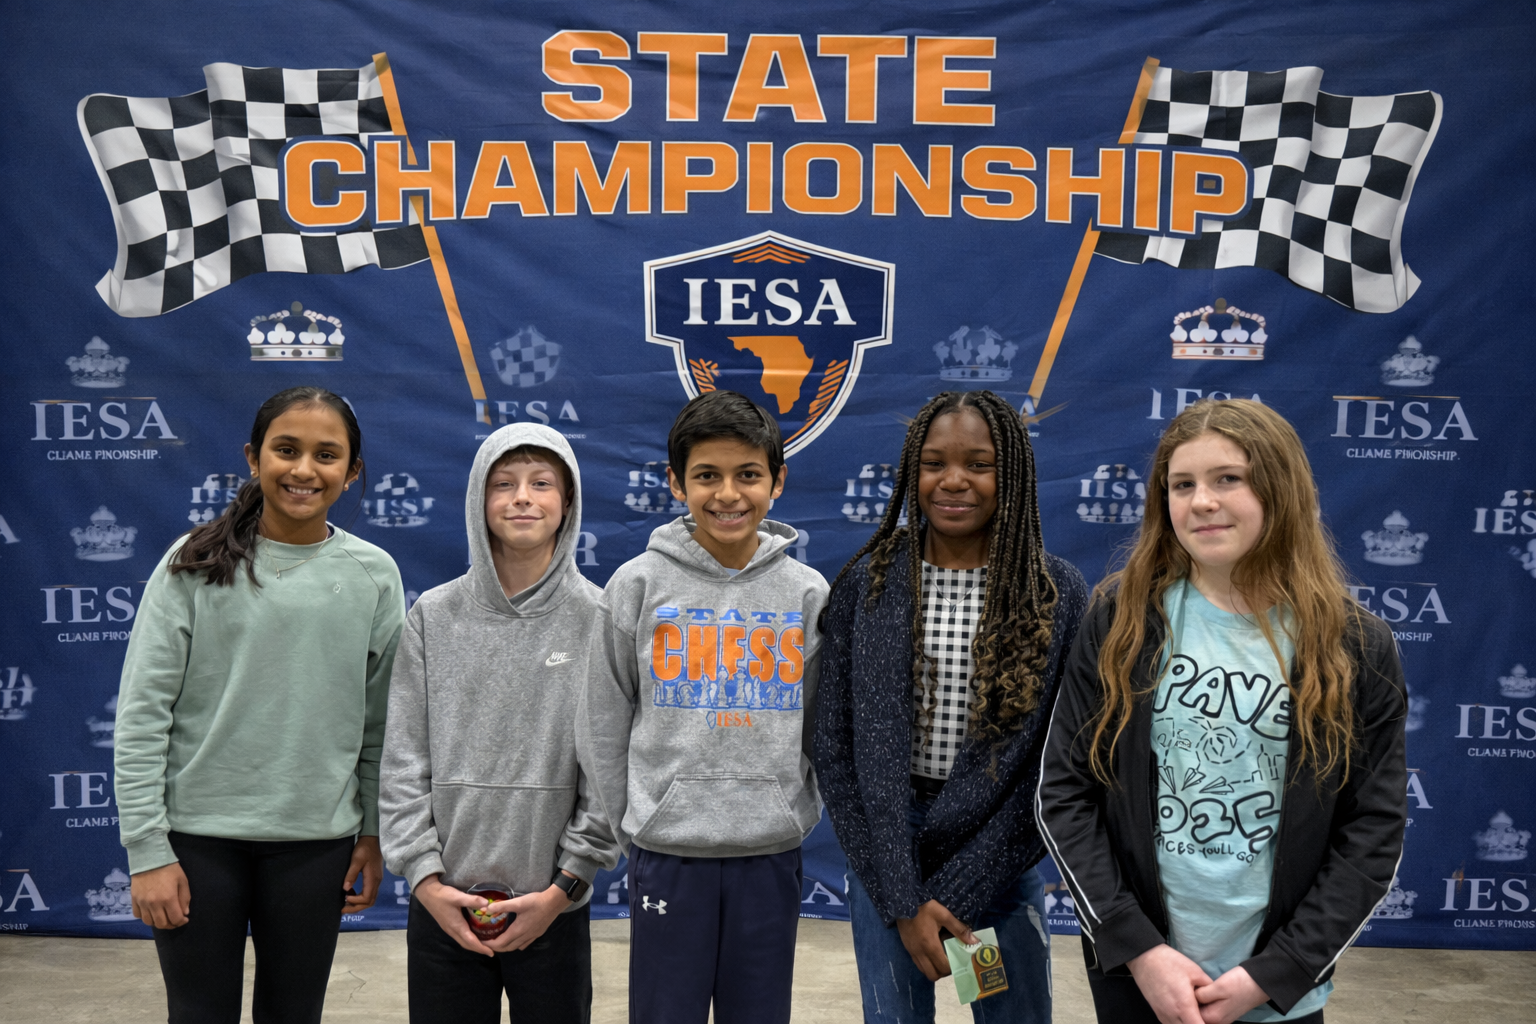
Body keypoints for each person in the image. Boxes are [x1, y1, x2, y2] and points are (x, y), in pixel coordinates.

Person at [1037, 399, 1407, 1024]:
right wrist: (1140, 949)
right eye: (1182, 485)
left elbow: (1371, 834)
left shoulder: (1354, 644)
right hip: (1141, 976)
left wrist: (1276, 972)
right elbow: (1065, 793)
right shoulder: (1121, 620)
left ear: (1280, 488)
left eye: (1227, 479)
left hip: (1275, 989)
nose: (1201, 501)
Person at [114, 386, 405, 1024]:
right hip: (196, 845)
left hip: (315, 845)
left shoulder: (374, 574)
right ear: (253, 457)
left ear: (352, 471)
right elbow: (141, 718)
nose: (304, 469)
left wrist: (374, 834)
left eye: (327, 455)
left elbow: (383, 724)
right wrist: (147, 850)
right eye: (286, 450)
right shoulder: (191, 566)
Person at [814, 389, 1087, 1024]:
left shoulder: (1053, 591)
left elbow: (1057, 761)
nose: (954, 480)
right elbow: (834, 745)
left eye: (980, 463)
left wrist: (965, 886)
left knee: (1009, 1015)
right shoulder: (869, 582)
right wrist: (902, 897)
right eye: (934, 462)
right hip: (889, 851)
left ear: (1012, 472)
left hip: (993, 851)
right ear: (913, 471)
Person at [581, 390, 828, 1024]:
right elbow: (602, 722)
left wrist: (794, 810)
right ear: (674, 482)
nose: (728, 494)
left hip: (768, 850)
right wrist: (637, 820)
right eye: (706, 476)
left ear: (778, 481)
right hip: (669, 852)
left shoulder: (806, 593)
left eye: (748, 475)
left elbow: (821, 729)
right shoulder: (637, 584)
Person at [380, 424, 620, 1024]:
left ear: (567, 504)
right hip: (442, 904)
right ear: (476, 502)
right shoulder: (432, 616)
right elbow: (404, 758)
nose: (522, 498)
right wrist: (427, 881)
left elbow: (608, 766)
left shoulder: (601, 618)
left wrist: (566, 883)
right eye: (503, 484)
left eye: (542, 484)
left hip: (553, 904)